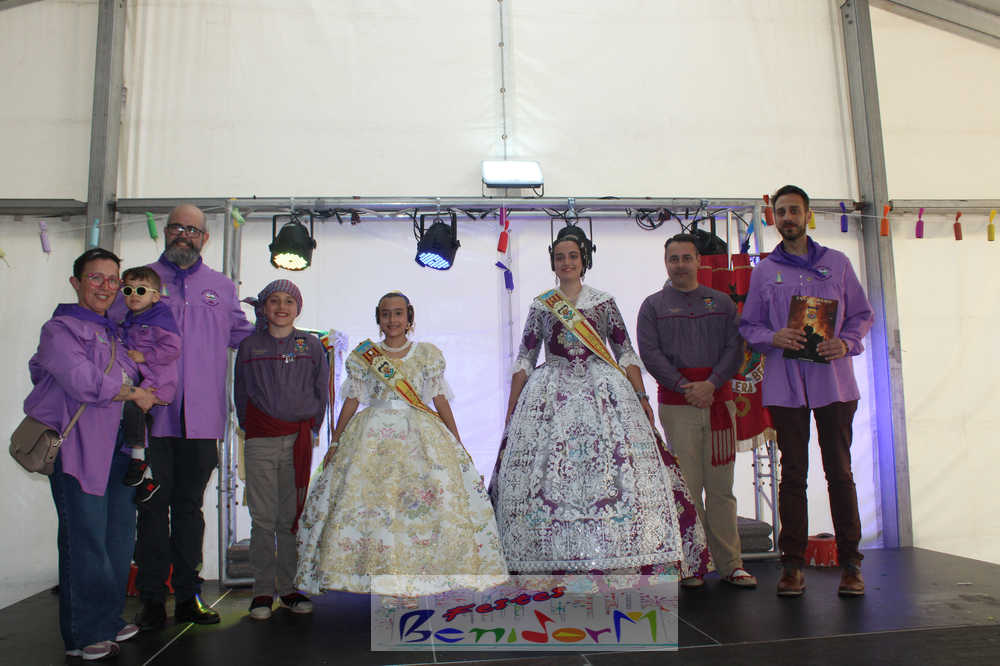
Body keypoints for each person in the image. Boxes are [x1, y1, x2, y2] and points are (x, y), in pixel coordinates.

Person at [489, 225, 711, 577]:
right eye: (560, 257)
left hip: (605, 392)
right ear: (553, 263)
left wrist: (641, 396)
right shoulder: (542, 305)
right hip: (552, 393)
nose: (566, 263)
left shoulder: (603, 302)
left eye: (572, 256)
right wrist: (512, 410)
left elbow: (625, 352)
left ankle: (624, 553)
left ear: (584, 260)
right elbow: (525, 359)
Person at [295, 291, 507, 596]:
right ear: (378, 318)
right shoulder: (364, 356)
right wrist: (336, 442)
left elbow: (439, 399)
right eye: (385, 314)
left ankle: (417, 578)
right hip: (371, 438)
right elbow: (352, 400)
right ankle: (380, 576)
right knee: (374, 507)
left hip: (419, 436)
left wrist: (457, 441)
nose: (392, 319)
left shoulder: (427, 355)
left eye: (398, 313)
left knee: (420, 507)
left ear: (409, 318)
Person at [118, 204, 254, 630]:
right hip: (150, 419)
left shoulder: (221, 287)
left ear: (204, 238)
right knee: (152, 509)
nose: (183, 235)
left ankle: (189, 597)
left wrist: (293, 338)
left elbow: (244, 336)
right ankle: (152, 600)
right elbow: (114, 334)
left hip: (202, 419)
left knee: (190, 509)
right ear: (165, 232)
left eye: (192, 230)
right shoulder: (141, 281)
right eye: (177, 227)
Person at [740, 185, 874, 598]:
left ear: (807, 214)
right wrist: (773, 337)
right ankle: (792, 566)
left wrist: (846, 343)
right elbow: (749, 326)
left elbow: (862, 315)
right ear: (774, 218)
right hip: (785, 387)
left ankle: (851, 564)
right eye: (781, 212)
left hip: (834, 385)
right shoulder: (764, 271)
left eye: (794, 210)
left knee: (840, 473)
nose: (788, 218)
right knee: (793, 475)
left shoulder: (838, 263)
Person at [25, 248, 159, 660]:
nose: (105, 286)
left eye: (112, 279)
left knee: (117, 540)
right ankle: (83, 634)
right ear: (76, 283)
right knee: (85, 542)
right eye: (95, 278)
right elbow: (83, 380)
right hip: (79, 449)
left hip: (122, 450)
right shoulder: (60, 329)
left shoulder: (116, 332)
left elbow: (142, 371)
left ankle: (108, 618)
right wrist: (133, 391)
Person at [637, 233, 757, 589]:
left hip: (719, 403)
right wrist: (683, 385)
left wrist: (712, 384)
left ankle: (731, 564)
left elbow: (735, 348)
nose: (680, 265)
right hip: (678, 406)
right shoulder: (653, 306)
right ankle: (693, 564)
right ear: (666, 263)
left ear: (699, 261)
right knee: (686, 488)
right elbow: (650, 353)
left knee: (721, 488)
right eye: (673, 259)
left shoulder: (721, 303)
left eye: (686, 258)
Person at [234, 280, 329, 620]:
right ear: (264, 307)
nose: (281, 307)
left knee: (290, 519)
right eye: (274, 300)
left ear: (298, 307)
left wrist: (313, 428)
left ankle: (289, 588)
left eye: (289, 300)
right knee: (262, 519)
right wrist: (252, 429)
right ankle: (262, 592)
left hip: (298, 441)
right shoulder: (249, 346)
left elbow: (321, 390)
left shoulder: (311, 345)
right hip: (260, 439)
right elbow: (240, 393)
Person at [119, 265, 181, 504]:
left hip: (157, 381)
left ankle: (138, 460)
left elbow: (172, 349)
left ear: (155, 296)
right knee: (142, 425)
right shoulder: (131, 320)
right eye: (128, 290)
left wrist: (144, 356)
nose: (134, 295)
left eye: (141, 290)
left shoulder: (160, 319)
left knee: (133, 410)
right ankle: (149, 478)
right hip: (143, 378)